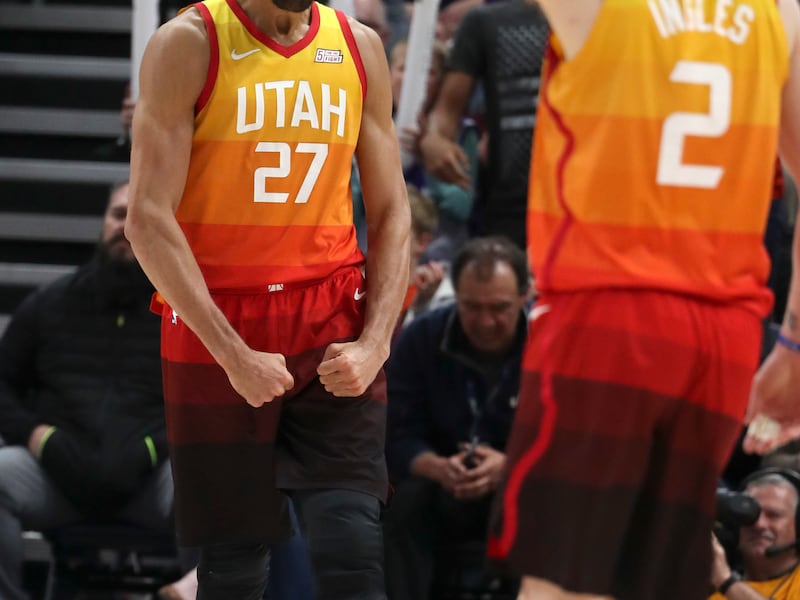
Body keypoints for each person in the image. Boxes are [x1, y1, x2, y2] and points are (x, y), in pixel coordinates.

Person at [486, 1, 800, 599]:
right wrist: (793, 342)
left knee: (562, 586)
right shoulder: (780, 12)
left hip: (609, 313)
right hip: (724, 334)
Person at [126, 0, 410, 597]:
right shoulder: (189, 42)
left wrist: (377, 343)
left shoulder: (360, 48)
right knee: (233, 563)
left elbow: (391, 210)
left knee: (352, 545)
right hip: (217, 316)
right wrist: (233, 356)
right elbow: (147, 219)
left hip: (330, 313)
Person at [0, 182, 175, 600]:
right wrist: (37, 436)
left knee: (212, 481)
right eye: (118, 215)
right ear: (102, 224)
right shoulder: (49, 304)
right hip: (56, 478)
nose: (126, 226)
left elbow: (210, 404)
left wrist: (155, 447)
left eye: (141, 217)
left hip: (152, 481)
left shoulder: (183, 315)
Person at [383, 236, 527, 600]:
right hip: (438, 481)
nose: (485, 321)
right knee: (405, 506)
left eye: (499, 308)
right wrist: (434, 465)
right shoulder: (422, 338)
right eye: (471, 307)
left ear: (525, 296)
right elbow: (393, 432)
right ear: (455, 295)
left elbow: (570, 441)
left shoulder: (548, 345)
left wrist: (511, 466)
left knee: (548, 499)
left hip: (522, 482)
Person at [419, 0, 549, 250]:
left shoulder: (609, 17)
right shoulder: (485, 21)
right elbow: (446, 110)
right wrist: (434, 139)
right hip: (510, 205)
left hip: (585, 201)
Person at [709, 470, 800, 599]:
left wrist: (727, 582)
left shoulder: (724, 583)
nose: (759, 524)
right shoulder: (715, 593)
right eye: (749, 515)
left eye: (773, 515)